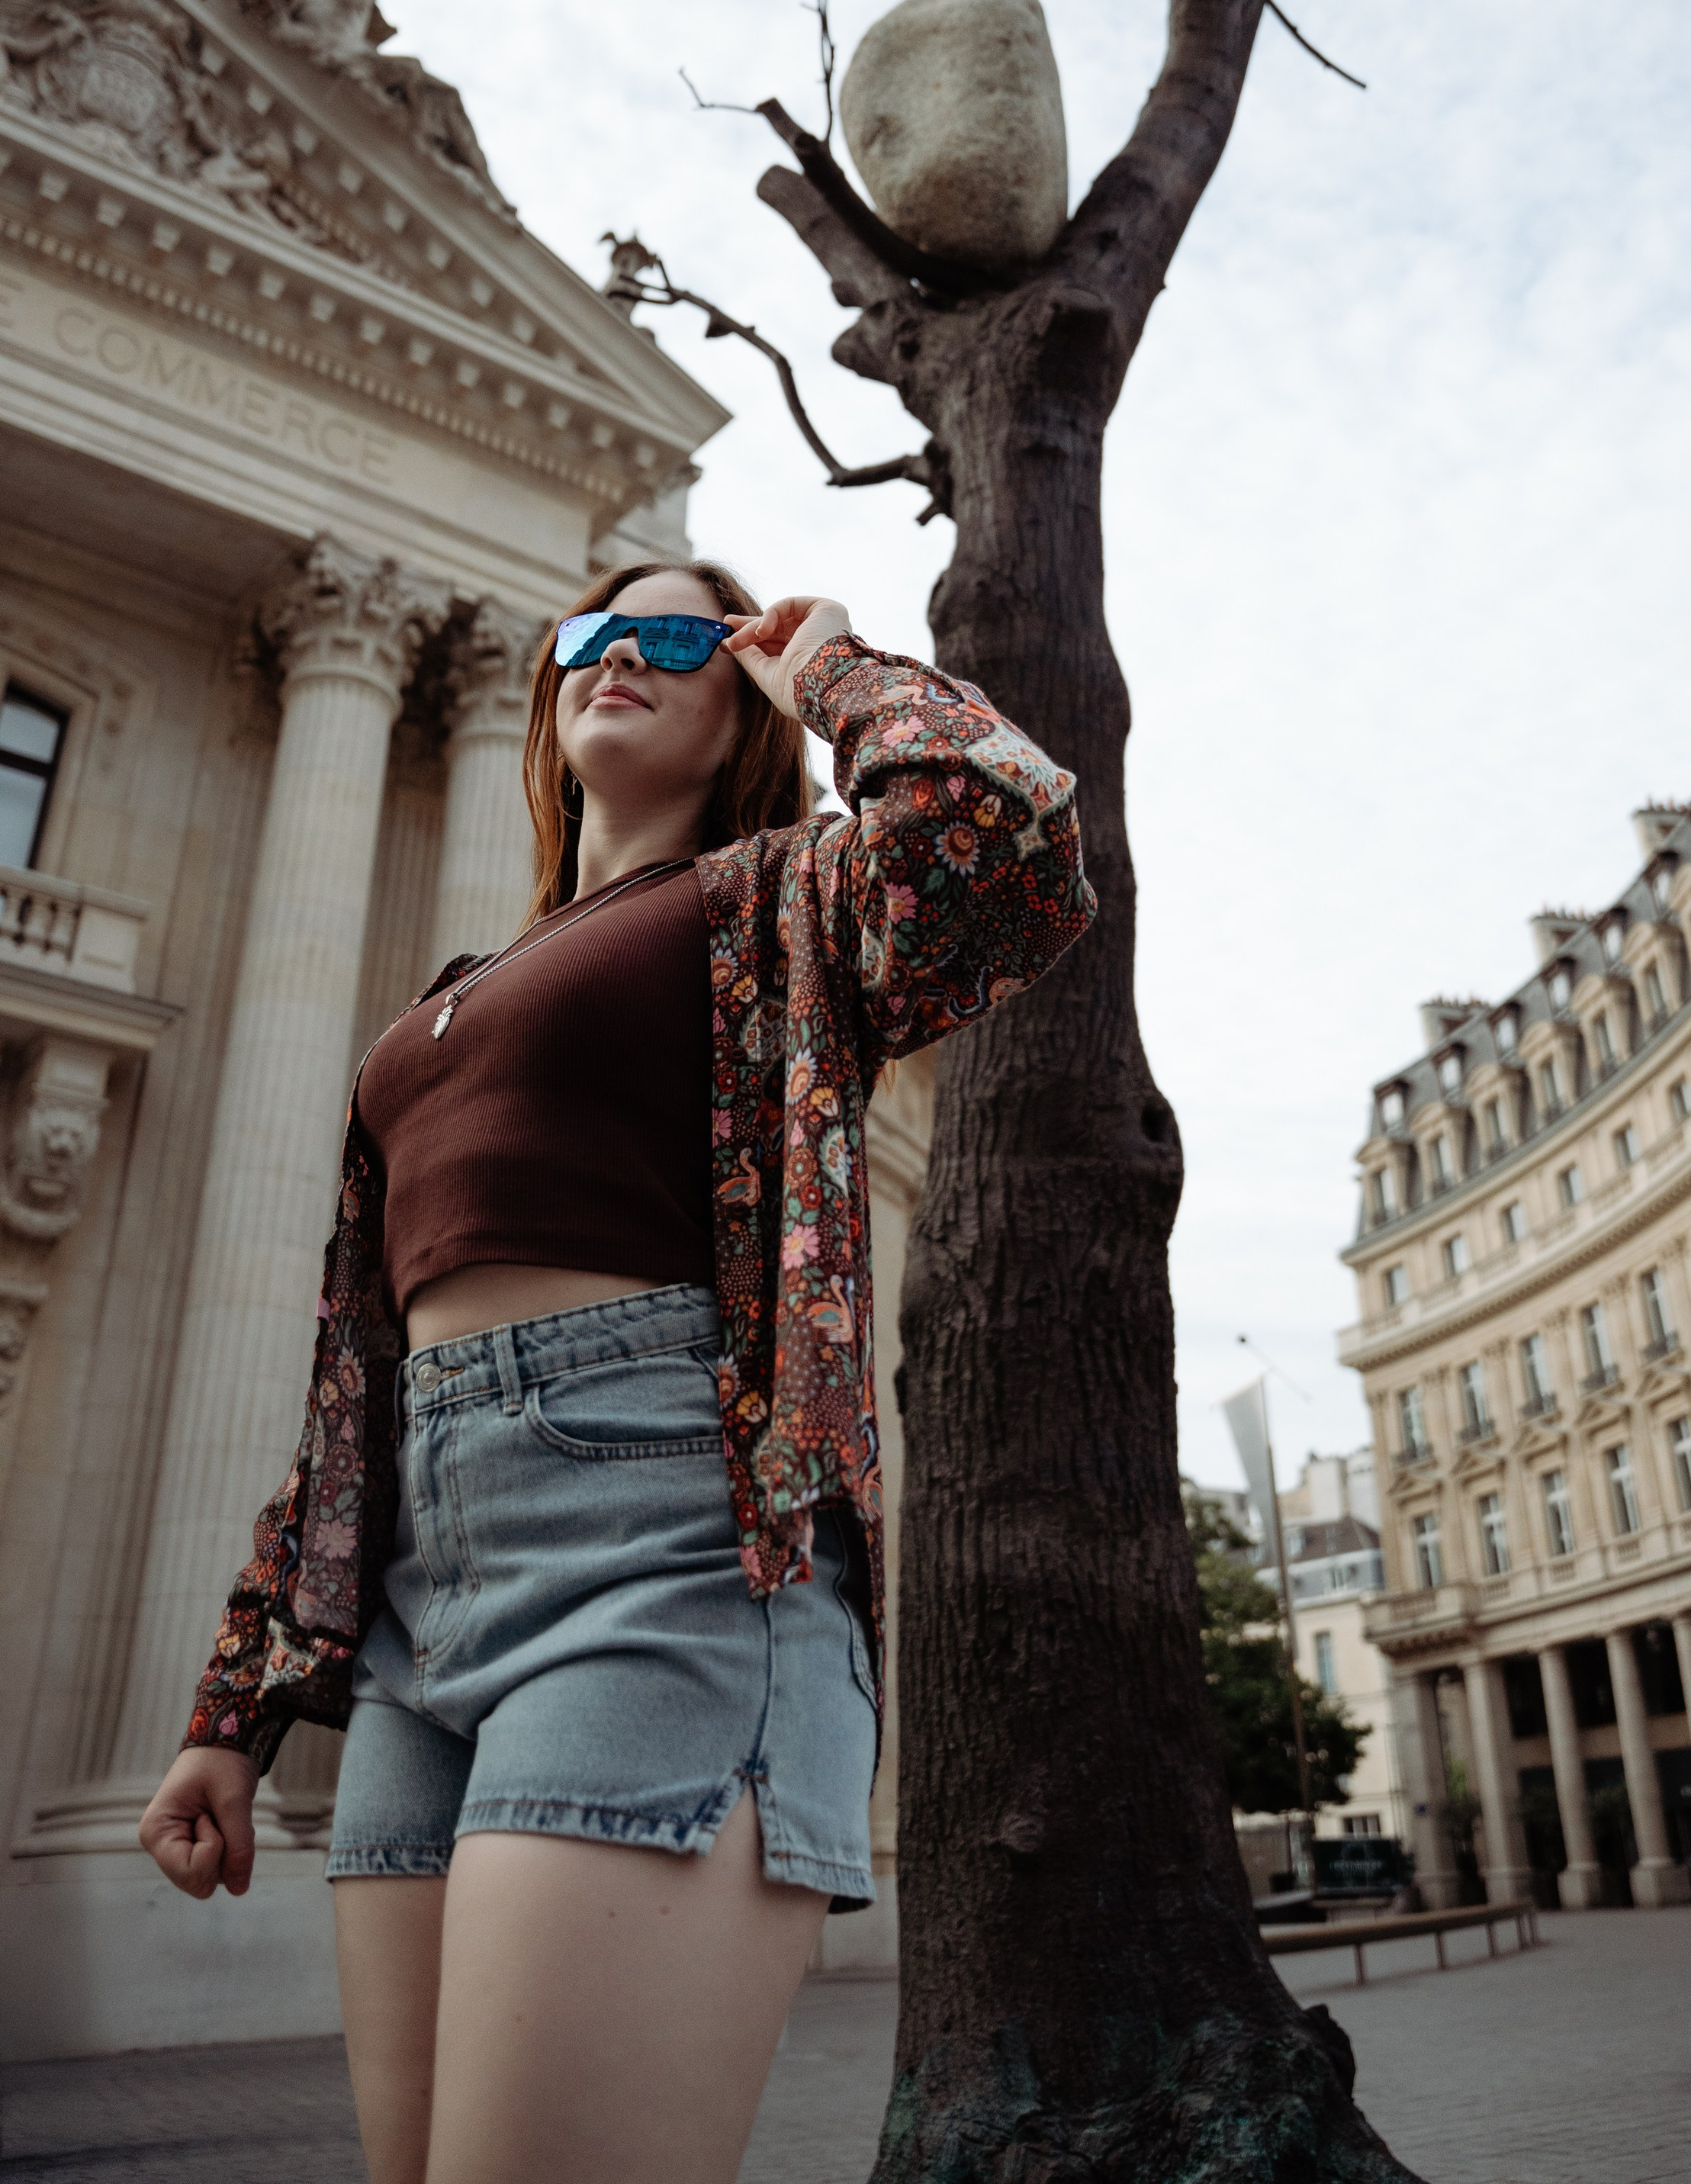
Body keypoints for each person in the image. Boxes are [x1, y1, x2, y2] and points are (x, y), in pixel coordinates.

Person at [138, 563, 1095, 2184]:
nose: (622, 660)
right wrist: (234, 1708)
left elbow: (1002, 844)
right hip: (414, 1609)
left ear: (740, 704)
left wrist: (835, 673)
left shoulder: (779, 900)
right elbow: (348, 1387)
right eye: (591, 636)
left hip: (663, 1539)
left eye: (677, 639)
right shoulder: (438, 1004)